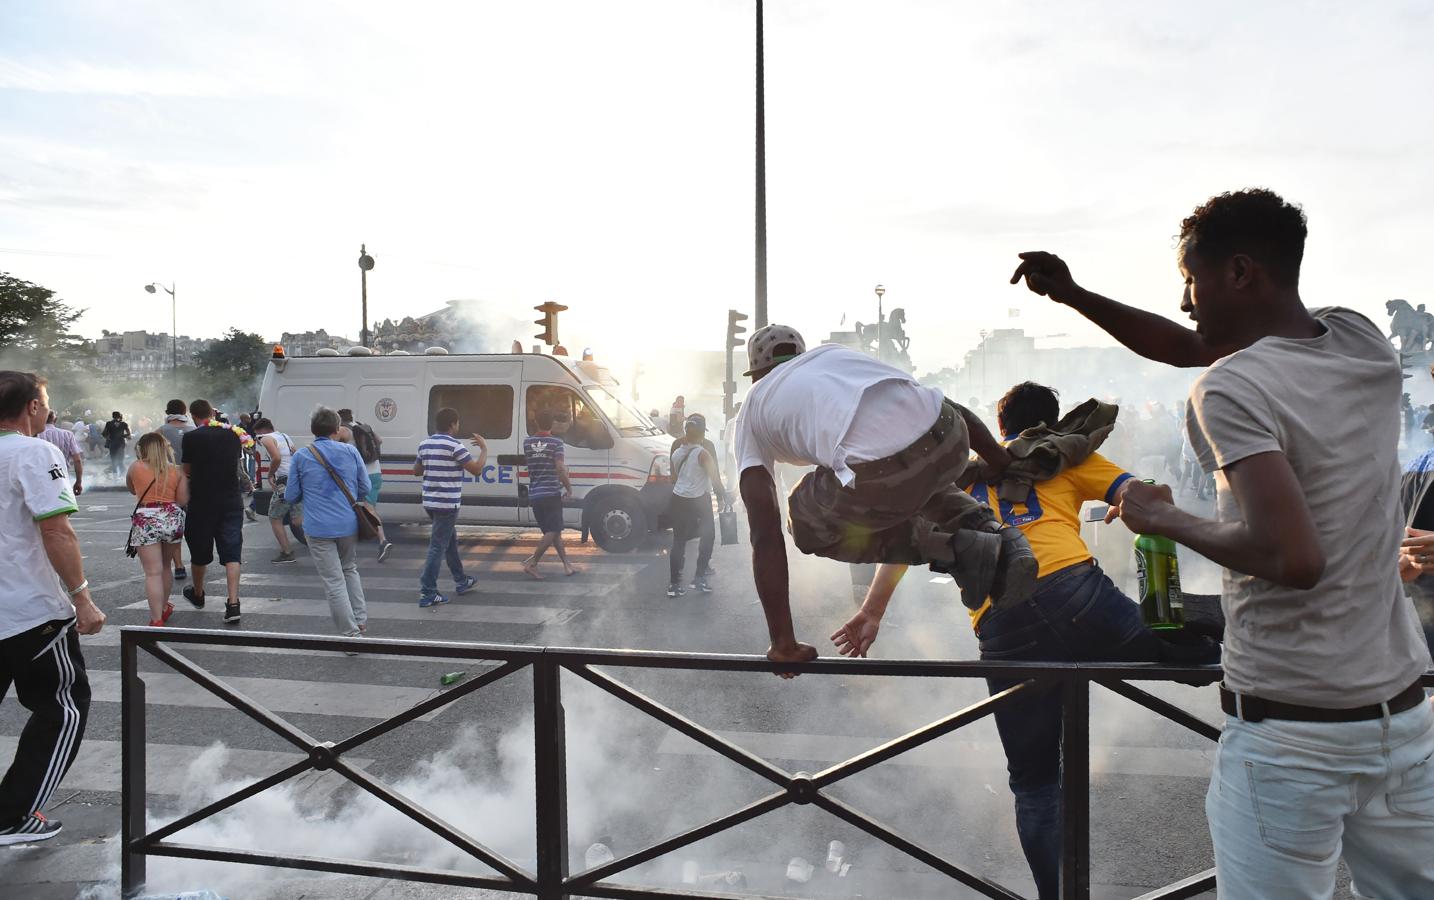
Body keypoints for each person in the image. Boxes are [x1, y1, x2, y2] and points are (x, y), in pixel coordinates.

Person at [1011, 188, 1434, 898]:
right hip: (1402, 719)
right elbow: (1191, 343)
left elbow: (1290, 559)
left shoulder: (1230, 390)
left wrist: (1162, 518)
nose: (1183, 300)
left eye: (1190, 279)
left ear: (1240, 273)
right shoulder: (1361, 341)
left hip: (1293, 734)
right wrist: (1075, 293)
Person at [837, 381, 1210, 900]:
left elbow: (901, 545)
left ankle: (1053, 898)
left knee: (1034, 783)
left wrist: (870, 613)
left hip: (1005, 625)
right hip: (1078, 593)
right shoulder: (1065, 458)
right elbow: (1139, 495)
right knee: (1183, 650)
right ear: (1052, 422)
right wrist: (1147, 504)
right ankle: (1263, 697)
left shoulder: (956, 476)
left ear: (999, 424)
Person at [734, 324, 1037, 672]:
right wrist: (1000, 463)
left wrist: (783, 643)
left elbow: (765, 532)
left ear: (756, 374)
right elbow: (941, 404)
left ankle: (956, 550)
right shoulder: (836, 357)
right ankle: (993, 532)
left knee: (802, 519)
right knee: (919, 476)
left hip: (882, 473)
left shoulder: (753, 407)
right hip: (949, 431)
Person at [0, 371, 105, 845]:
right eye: (45, 401)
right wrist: (81, 596)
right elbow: (57, 531)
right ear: (32, 409)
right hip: (28, 612)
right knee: (63, 706)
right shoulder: (35, 452)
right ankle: (14, 815)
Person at [285, 408, 370, 645]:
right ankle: (360, 620)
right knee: (349, 569)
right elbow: (364, 488)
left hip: (318, 527)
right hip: (348, 524)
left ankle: (351, 635)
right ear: (336, 429)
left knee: (333, 581)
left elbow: (291, 495)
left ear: (314, 430)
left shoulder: (302, 456)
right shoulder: (350, 452)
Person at [180, 399, 252, 625]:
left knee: (200, 551)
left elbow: (187, 470)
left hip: (202, 501)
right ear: (212, 413)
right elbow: (238, 464)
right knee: (232, 552)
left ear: (193, 415)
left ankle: (199, 593)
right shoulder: (233, 434)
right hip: (231, 500)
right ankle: (233, 603)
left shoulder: (191, 438)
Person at [413, 407, 488, 607]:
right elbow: (477, 470)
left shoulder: (424, 444)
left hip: (430, 501)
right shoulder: (455, 446)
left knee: (449, 542)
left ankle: (461, 580)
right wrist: (484, 450)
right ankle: (428, 591)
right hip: (447, 503)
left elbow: (416, 471)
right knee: (438, 546)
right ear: (453, 424)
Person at [125, 433, 188, 627]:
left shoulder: (135, 467)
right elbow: (183, 500)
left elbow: (132, 489)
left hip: (146, 518)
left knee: (152, 573)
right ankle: (163, 607)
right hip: (171, 518)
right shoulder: (177, 471)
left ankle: (156, 619)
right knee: (166, 567)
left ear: (142, 449)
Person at [668, 413, 728, 596]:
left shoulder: (677, 449)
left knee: (678, 541)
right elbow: (715, 479)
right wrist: (723, 496)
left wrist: (686, 483)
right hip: (699, 500)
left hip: (678, 498)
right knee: (708, 535)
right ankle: (699, 578)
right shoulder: (704, 452)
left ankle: (674, 585)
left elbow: (673, 476)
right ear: (702, 432)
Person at [521, 407, 576, 579]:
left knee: (554, 532)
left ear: (536, 422)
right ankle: (532, 563)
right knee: (553, 530)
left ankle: (567, 564)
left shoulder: (527, 443)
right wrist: (568, 488)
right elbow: (560, 468)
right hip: (551, 493)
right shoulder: (556, 443)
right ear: (552, 423)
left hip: (535, 494)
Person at [338, 408, 393, 561]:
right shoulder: (363, 426)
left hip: (364, 476)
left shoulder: (344, 430)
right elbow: (380, 440)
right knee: (360, 507)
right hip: (376, 472)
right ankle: (353, 538)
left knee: (368, 508)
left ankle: (383, 541)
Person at [251, 418, 301, 564]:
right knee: (298, 520)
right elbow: (296, 454)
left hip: (284, 482)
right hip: (296, 479)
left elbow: (276, 458)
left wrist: (270, 474)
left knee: (274, 517)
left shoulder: (267, 438)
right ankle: (324, 540)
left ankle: (287, 552)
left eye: (257, 436)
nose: (259, 440)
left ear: (261, 431)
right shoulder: (284, 436)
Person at [155, 400, 194, 581]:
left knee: (174, 524)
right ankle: (198, 559)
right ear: (184, 411)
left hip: (169, 481)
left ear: (167, 411)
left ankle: (178, 565)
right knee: (194, 523)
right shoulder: (194, 430)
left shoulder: (160, 431)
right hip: (193, 480)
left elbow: (147, 455)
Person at [38, 412, 83, 498]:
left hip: (41, 479)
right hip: (62, 478)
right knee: (62, 507)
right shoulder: (68, 434)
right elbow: (77, 460)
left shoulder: (35, 435)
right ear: (55, 420)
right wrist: (78, 481)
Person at [101, 410, 130, 480]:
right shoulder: (124, 424)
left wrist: (109, 438)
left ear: (112, 416)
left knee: (113, 459)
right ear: (120, 416)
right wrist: (122, 436)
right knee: (121, 459)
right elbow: (128, 434)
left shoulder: (108, 423)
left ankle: (115, 476)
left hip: (112, 443)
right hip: (121, 444)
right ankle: (122, 476)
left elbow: (103, 434)